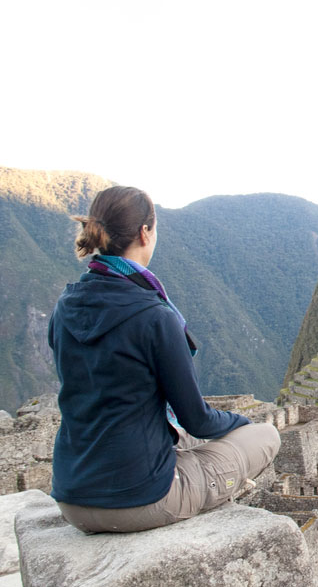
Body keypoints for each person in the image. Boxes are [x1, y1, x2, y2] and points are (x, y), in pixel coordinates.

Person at [48, 185, 280, 533]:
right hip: (140, 500)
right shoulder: (154, 316)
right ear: (145, 232)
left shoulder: (64, 308)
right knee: (266, 436)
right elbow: (198, 420)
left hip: (72, 498)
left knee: (183, 438)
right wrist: (239, 422)